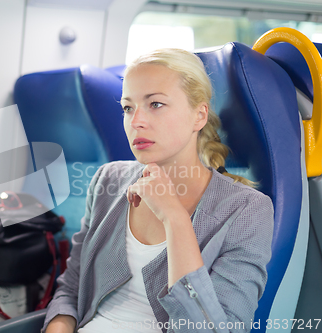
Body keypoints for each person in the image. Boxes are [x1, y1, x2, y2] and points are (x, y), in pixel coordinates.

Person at [42, 49, 274, 333]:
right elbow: (72, 288)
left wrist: (174, 218)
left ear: (199, 116)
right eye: (128, 108)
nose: (136, 121)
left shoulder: (247, 210)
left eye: (156, 104)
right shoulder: (108, 179)